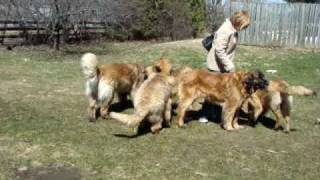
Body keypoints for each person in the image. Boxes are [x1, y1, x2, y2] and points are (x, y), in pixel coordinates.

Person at [199, 10, 251, 123]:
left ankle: (215, 113)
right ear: (238, 22)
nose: (244, 28)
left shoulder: (232, 29)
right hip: (216, 65)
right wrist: (230, 66)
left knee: (220, 90)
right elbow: (219, 50)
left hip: (223, 65)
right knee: (210, 91)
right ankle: (204, 114)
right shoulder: (225, 30)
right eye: (244, 25)